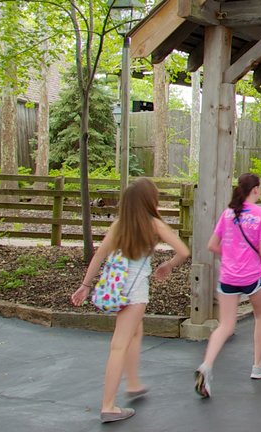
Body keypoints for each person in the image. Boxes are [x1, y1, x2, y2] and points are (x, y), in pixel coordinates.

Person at [70, 178, 190, 423]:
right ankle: (109, 405)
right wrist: (167, 266)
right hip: (134, 293)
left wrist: (85, 285)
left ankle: (133, 383)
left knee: (135, 332)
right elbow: (184, 251)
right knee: (119, 345)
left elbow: (99, 255)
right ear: (149, 200)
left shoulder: (119, 225)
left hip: (116, 286)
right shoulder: (154, 224)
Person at [194, 173, 261, 399]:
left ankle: (207, 365)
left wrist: (230, 255)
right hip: (253, 276)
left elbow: (212, 245)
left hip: (228, 276)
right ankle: (258, 364)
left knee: (226, 325)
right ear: (256, 189)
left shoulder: (228, 214)